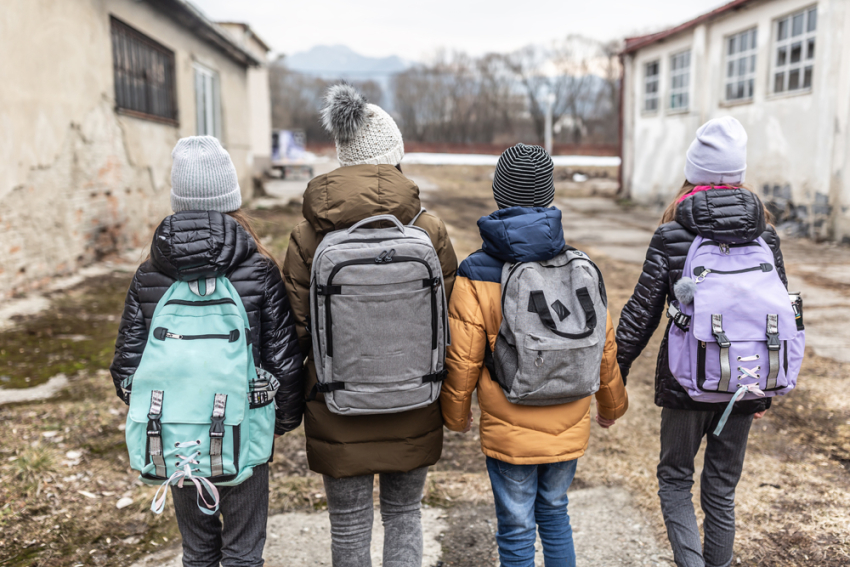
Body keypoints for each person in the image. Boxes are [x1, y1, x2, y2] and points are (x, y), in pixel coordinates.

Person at [282, 84, 458, 567]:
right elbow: (448, 320)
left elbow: (297, 329)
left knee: (350, 524)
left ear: (342, 157)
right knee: (404, 514)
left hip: (337, 404)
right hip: (414, 400)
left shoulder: (307, 234)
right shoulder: (429, 227)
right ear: (394, 157)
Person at [110, 136, 304, 567]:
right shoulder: (258, 267)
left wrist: (173, 403)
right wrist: (280, 422)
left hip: (175, 436)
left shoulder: (150, 273)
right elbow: (283, 360)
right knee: (243, 552)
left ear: (178, 199)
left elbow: (126, 366)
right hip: (246, 430)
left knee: (197, 551)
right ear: (231, 197)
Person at [441, 143, 628, 567]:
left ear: (498, 194)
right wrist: (611, 405)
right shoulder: (580, 264)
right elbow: (605, 345)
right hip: (569, 414)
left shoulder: (475, 272)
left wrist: (456, 415)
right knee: (555, 511)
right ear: (549, 195)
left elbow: (464, 359)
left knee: (517, 526)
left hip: (510, 421)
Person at [616, 117, 787, 567]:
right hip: (748, 377)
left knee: (675, 479)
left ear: (693, 171)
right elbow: (782, 313)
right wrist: (770, 381)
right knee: (722, 490)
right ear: (739, 175)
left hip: (686, 381)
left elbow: (641, 312)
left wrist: (614, 371)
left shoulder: (674, 233)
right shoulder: (764, 235)